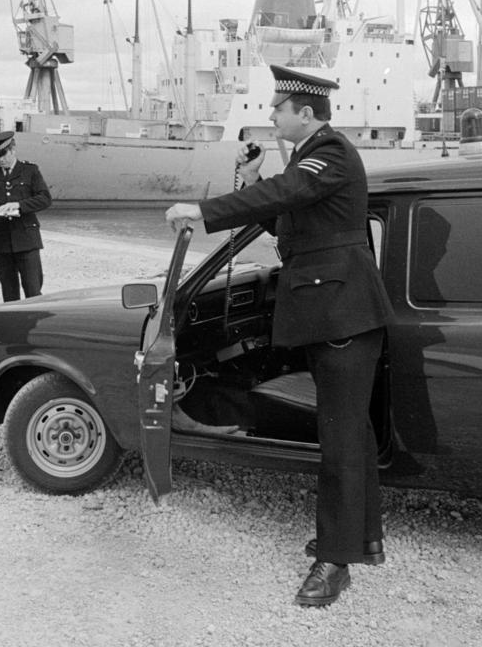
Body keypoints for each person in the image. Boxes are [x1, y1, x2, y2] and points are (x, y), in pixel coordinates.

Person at [164, 65, 393, 607]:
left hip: (342, 314)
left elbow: (288, 192)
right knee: (348, 432)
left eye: (277, 108)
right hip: (334, 313)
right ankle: (358, 538)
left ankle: (335, 562)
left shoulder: (330, 153)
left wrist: (202, 210)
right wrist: (248, 178)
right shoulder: (308, 162)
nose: (269, 115)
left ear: (305, 113)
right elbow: (282, 222)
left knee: (339, 437)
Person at [0, 131, 52, 301]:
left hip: (26, 240)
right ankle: (13, 327)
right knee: (9, 294)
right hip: (1, 242)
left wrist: (19, 205)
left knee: (33, 293)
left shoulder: (30, 171)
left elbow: (45, 199)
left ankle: (33, 326)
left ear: (13, 150)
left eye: (3, 154)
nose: (0, 159)